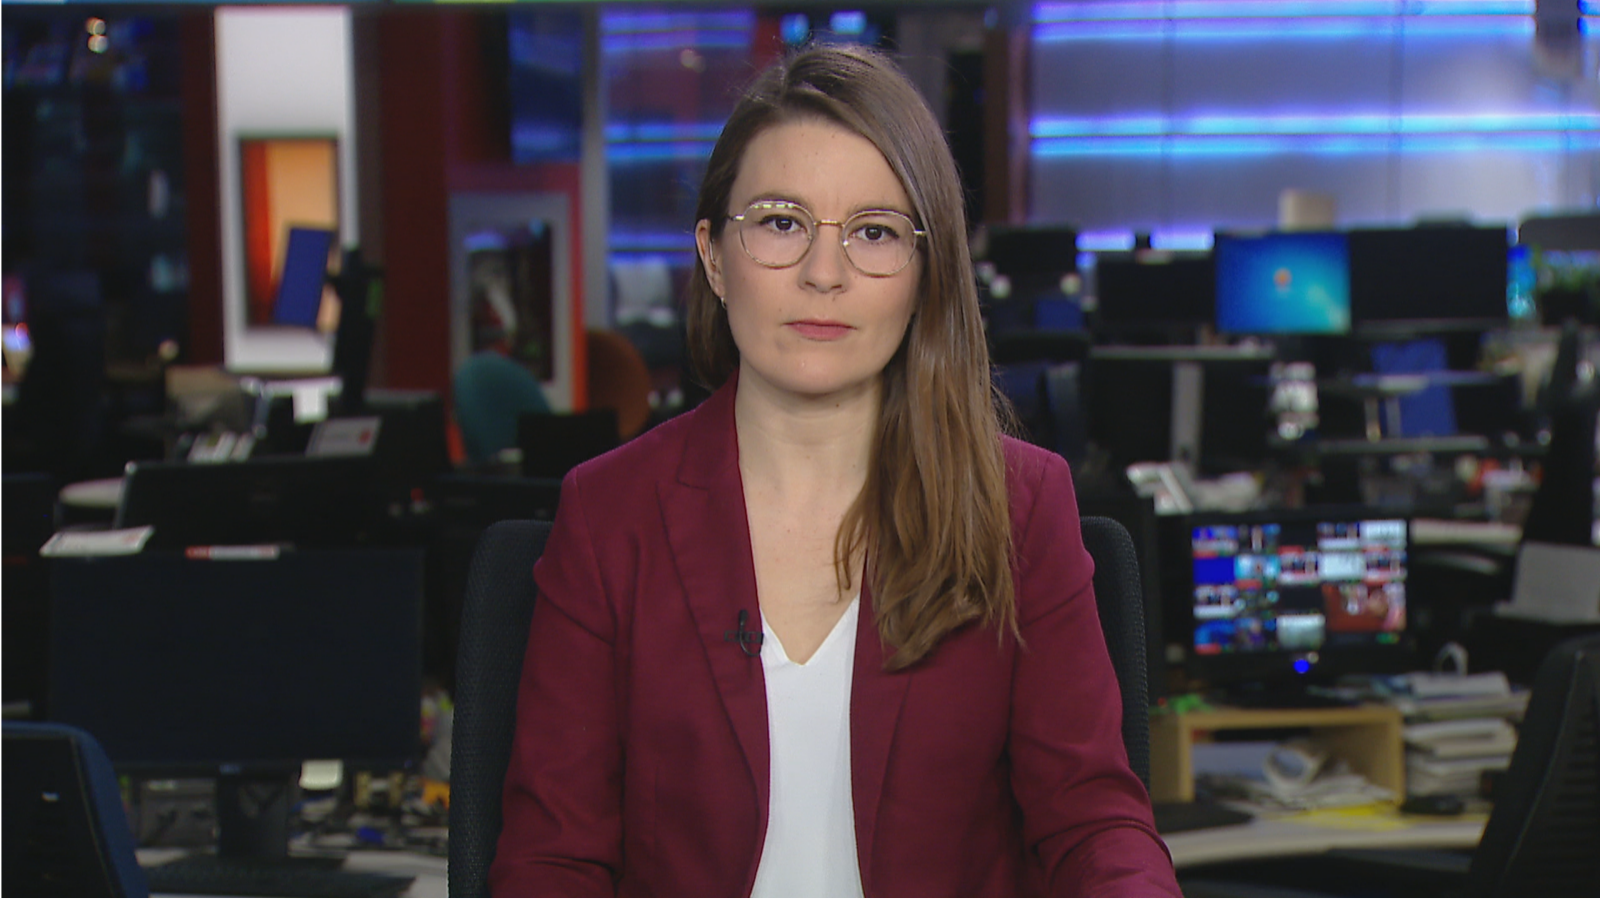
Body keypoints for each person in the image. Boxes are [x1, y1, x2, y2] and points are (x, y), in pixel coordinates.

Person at [489, 44, 1181, 897]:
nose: (826, 273)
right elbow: (551, 861)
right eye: (781, 223)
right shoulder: (609, 516)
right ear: (713, 256)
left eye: (875, 233)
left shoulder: (1019, 507)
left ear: (925, 273)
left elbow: (1091, 823)